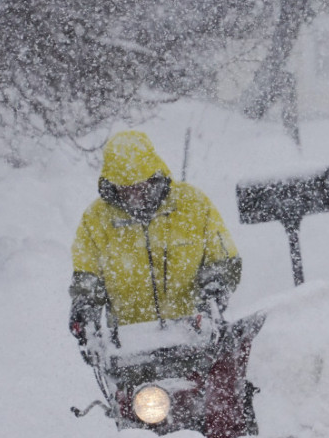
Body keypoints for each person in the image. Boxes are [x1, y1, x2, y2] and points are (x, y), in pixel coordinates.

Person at [68, 131, 241, 345]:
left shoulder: (193, 204)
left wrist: (215, 286)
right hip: (131, 347)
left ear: (153, 177)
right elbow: (87, 275)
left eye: (140, 187)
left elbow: (224, 259)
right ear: (113, 185)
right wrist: (84, 306)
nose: (134, 196)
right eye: (126, 190)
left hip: (194, 338)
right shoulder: (96, 219)